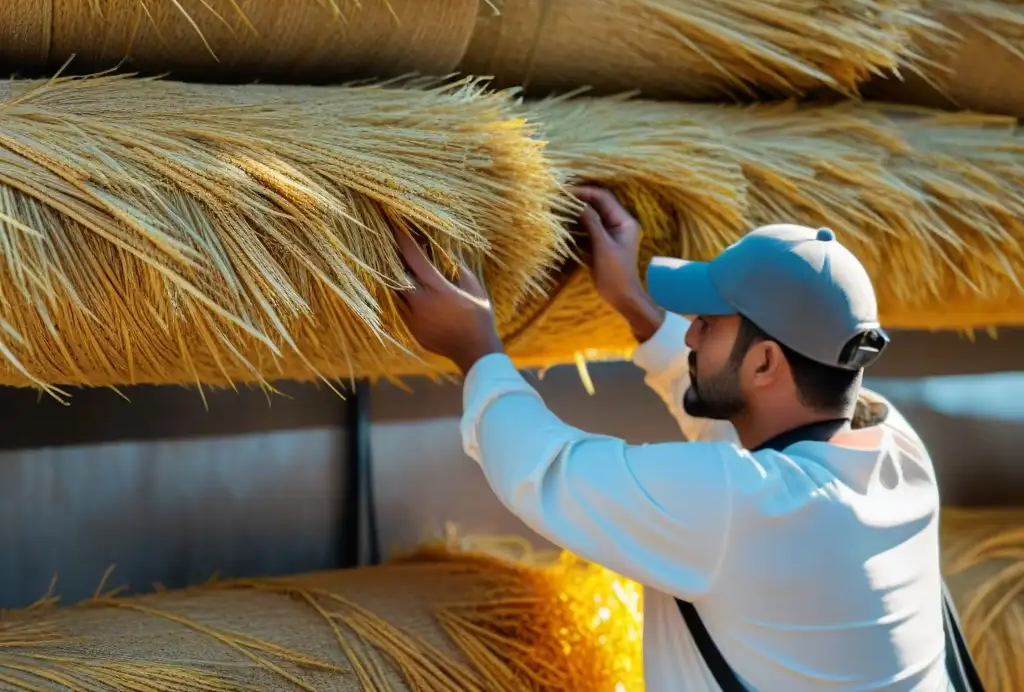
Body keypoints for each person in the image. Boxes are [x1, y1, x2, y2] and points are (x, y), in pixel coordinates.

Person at [393, 186, 948, 691]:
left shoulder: (737, 507)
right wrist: (633, 305)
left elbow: (545, 470)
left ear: (764, 363)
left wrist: (476, 349)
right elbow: (746, 427)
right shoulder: (901, 457)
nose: (688, 331)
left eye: (707, 323)